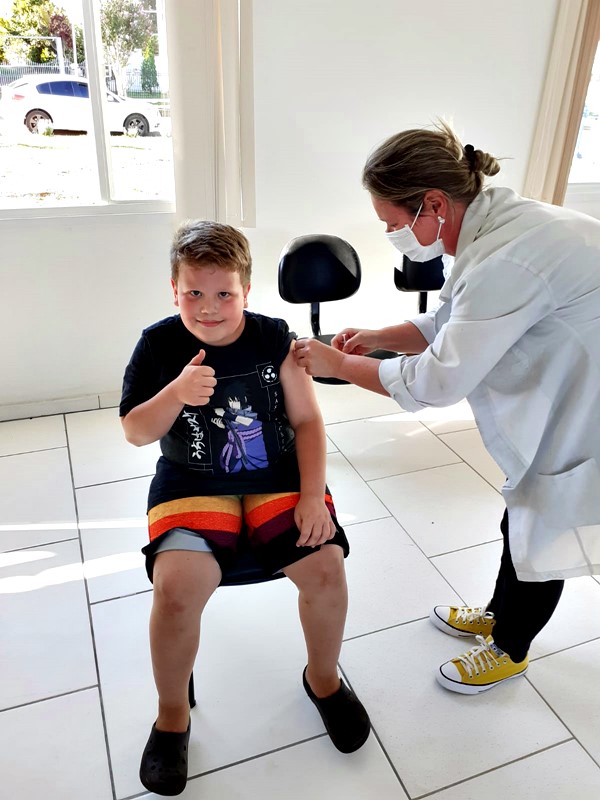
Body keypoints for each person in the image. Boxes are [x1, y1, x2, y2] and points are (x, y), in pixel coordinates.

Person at [294, 121, 600, 696]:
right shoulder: (496, 228)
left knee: (544, 520)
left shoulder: (507, 257)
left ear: (433, 204)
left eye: (393, 223)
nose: (392, 235)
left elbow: (435, 383)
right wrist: (378, 336)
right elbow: (455, 319)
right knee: (524, 512)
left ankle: (510, 649)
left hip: (589, 403)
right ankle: (499, 615)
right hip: (577, 377)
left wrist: (338, 365)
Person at [120, 220, 370, 796]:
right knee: (177, 588)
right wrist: (175, 393)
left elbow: (307, 421)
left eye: (224, 293)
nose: (209, 307)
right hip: (191, 481)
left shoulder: (273, 337)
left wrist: (313, 496)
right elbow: (135, 431)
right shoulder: (157, 345)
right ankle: (172, 713)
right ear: (174, 290)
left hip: (278, 475)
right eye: (194, 293)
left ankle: (324, 680)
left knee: (326, 567)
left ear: (247, 291)